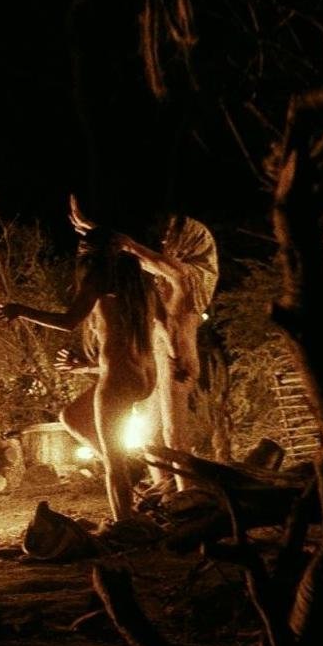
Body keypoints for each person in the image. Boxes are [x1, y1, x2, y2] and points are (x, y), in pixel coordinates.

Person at [0, 220, 161, 524]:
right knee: (72, 416)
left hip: (119, 378)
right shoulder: (140, 285)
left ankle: (125, 524)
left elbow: (70, 321)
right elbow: (126, 344)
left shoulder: (99, 279)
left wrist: (20, 310)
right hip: (145, 375)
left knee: (114, 465)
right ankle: (129, 468)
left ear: (92, 255)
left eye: (83, 248)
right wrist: (86, 366)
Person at [71, 196, 218, 492]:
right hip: (156, 360)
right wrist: (89, 366)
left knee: (173, 433)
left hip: (175, 362)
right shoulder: (151, 292)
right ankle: (162, 492)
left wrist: (125, 243)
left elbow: (175, 276)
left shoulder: (184, 285)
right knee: (149, 435)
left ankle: (186, 495)